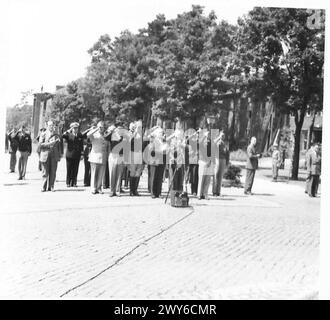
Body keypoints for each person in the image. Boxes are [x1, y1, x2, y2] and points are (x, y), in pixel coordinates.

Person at [39, 120, 62, 192]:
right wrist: (49, 144)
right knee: (45, 172)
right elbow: (40, 145)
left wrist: (59, 155)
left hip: (54, 155)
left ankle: (51, 186)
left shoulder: (56, 135)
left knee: (53, 172)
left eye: (52, 125)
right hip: (45, 154)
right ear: (47, 126)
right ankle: (44, 187)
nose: (51, 127)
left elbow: (59, 146)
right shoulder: (43, 134)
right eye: (50, 125)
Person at [87, 121, 109, 194]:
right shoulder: (94, 134)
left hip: (103, 157)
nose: (101, 128)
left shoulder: (105, 135)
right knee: (94, 173)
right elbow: (88, 134)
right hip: (95, 157)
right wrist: (96, 129)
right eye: (100, 127)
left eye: (102, 127)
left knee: (101, 174)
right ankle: (93, 188)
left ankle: (99, 188)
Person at [104, 121, 126, 197]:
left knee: (119, 174)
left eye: (121, 127)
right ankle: (112, 190)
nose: (119, 129)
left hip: (121, 155)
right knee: (112, 173)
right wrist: (110, 130)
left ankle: (117, 190)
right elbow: (105, 137)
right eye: (118, 127)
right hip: (113, 155)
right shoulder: (112, 134)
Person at [62, 122, 84, 187]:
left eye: (76, 128)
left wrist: (82, 154)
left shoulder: (80, 135)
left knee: (75, 169)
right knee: (69, 169)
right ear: (72, 128)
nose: (75, 129)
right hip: (69, 155)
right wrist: (67, 131)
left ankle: (74, 182)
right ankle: (68, 182)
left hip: (77, 155)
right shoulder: (68, 134)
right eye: (74, 128)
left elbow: (81, 145)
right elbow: (62, 136)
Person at [128, 120, 144, 196]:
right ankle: (131, 190)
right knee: (132, 172)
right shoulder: (132, 133)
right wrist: (135, 132)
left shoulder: (142, 135)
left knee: (138, 173)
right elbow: (129, 141)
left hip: (140, 154)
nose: (140, 128)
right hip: (133, 154)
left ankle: (135, 190)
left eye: (141, 127)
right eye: (139, 127)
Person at [197, 128, 214, 200]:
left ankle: (205, 194)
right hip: (202, 161)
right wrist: (204, 136)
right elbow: (199, 143)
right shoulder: (201, 140)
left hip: (209, 161)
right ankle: (199, 194)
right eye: (206, 132)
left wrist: (210, 161)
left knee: (207, 179)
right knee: (201, 179)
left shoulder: (210, 141)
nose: (208, 134)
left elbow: (212, 151)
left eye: (208, 132)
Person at [212, 131, 229, 196]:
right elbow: (212, 143)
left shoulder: (225, 143)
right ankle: (214, 191)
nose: (222, 137)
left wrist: (227, 162)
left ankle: (218, 192)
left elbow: (227, 153)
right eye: (221, 135)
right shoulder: (217, 142)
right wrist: (218, 138)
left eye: (223, 136)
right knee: (216, 175)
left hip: (223, 159)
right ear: (219, 136)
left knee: (220, 176)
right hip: (217, 159)